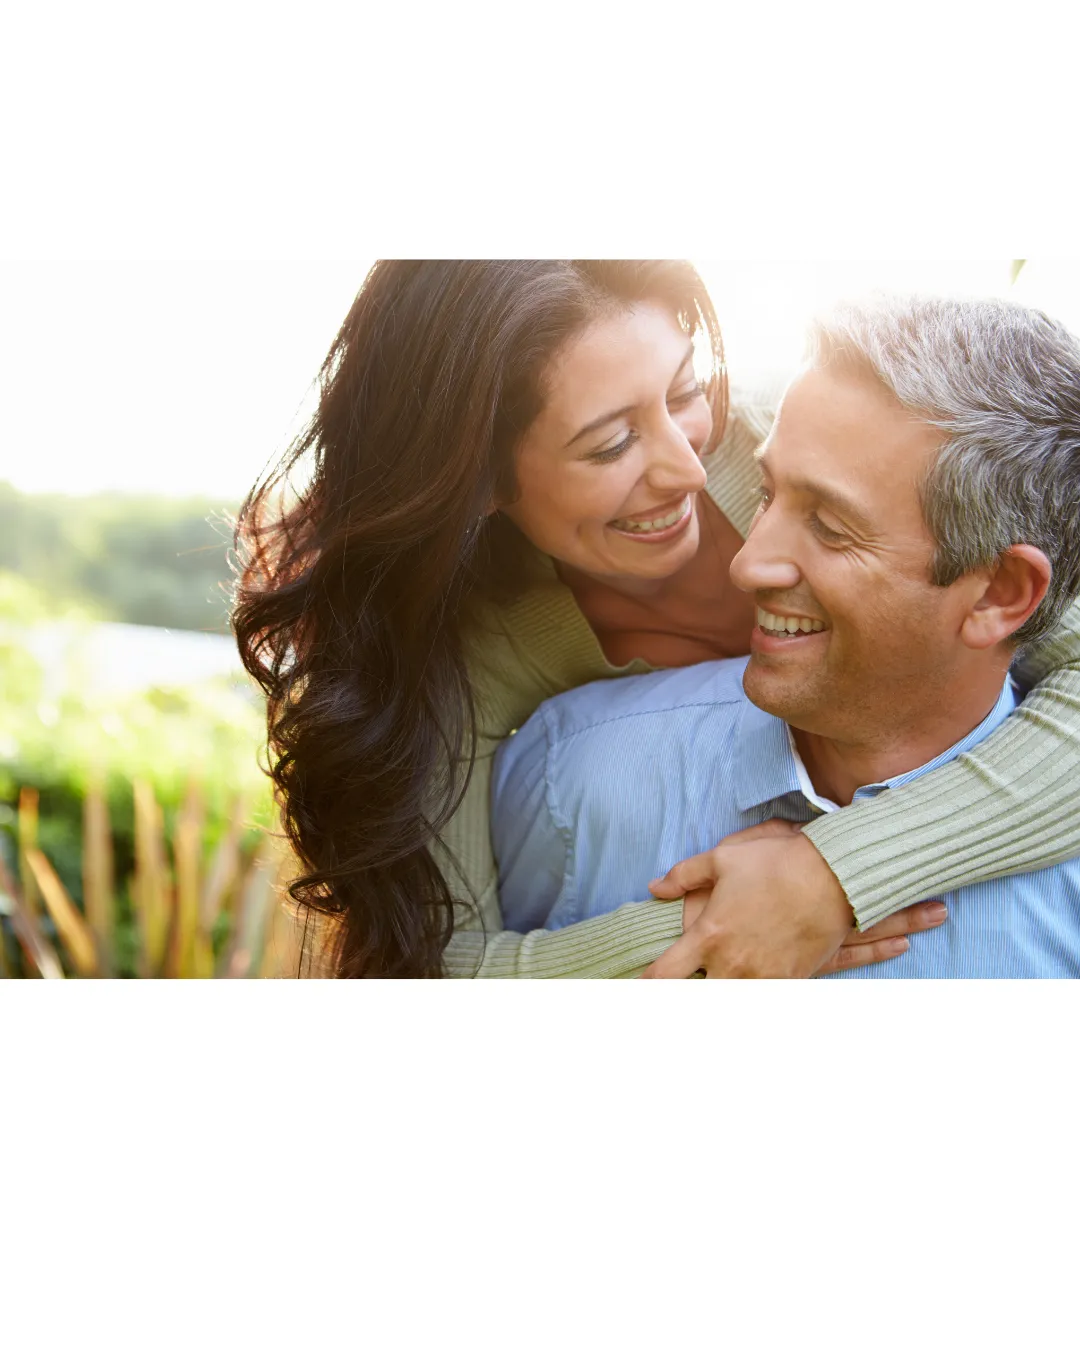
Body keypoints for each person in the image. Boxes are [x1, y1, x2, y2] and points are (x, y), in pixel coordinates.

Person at [232, 263, 1080, 977]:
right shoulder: (470, 656)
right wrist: (710, 932)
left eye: (683, 391)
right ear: (481, 480)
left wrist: (838, 875)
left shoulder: (815, 444)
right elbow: (436, 965)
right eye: (609, 445)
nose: (686, 466)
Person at [491, 294, 1080, 976]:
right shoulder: (567, 777)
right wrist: (693, 938)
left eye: (830, 527)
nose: (745, 563)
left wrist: (841, 872)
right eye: (767, 494)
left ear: (1000, 593)